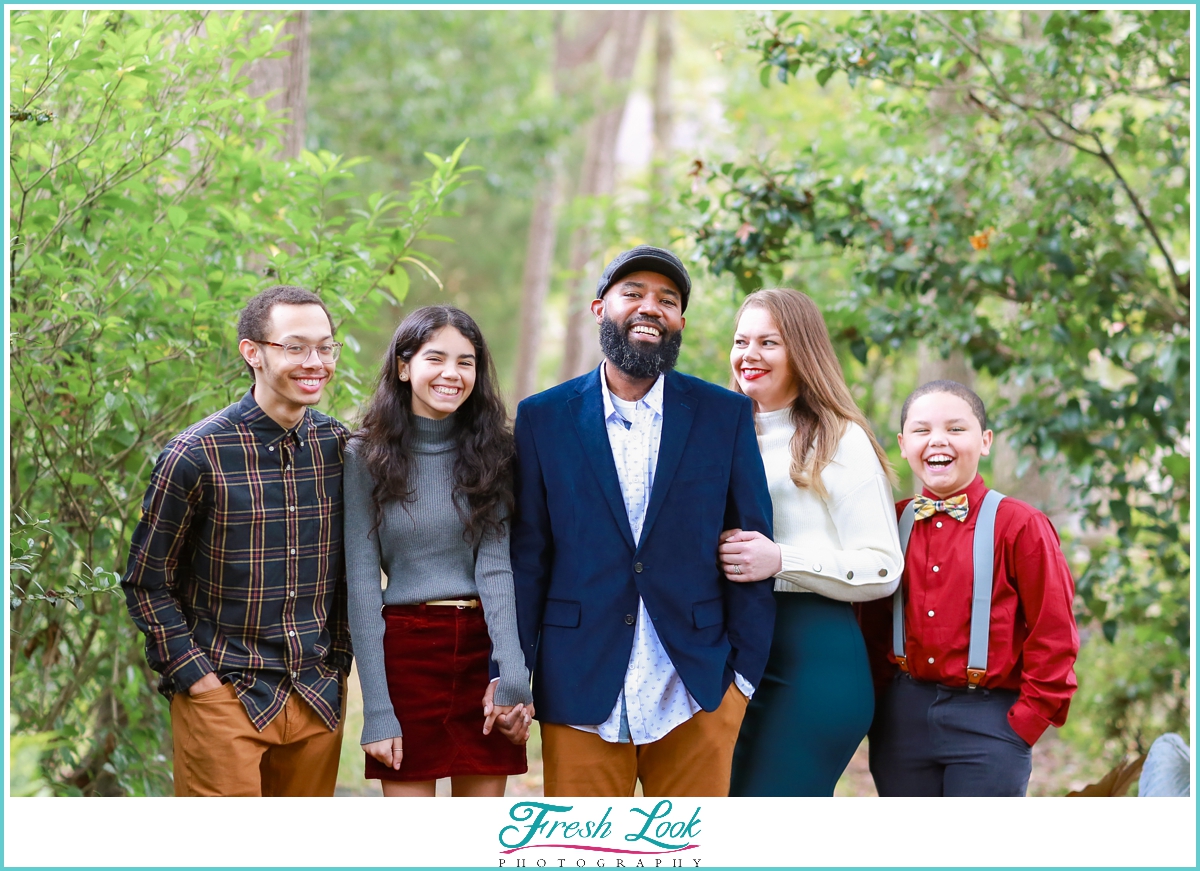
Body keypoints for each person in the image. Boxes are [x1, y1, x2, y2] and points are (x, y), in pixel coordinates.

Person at [511, 245, 776, 797]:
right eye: (633, 294)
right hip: (580, 687)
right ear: (598, 307)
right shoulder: (542, 418)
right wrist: (515, 673)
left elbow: (753, 545)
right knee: (583, 852)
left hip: (696, 690)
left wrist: (740, 683)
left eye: (668, 300)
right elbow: (529, 558)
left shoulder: (724, 415)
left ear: (681, 321)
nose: (650, 307)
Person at [122, 285, 352, 796]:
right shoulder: (194, 455)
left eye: (325, 346)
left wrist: (337, 664)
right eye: (295, 347)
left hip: (317, 697)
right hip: (226, 696)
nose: (315, 362)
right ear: (253, 352)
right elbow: (146, 582)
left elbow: (351, 571)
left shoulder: (342, 449)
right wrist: (198, 681)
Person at [719, 288, 904, 796]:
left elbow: (884, 567)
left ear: (801, 351)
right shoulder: (717, 432)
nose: (749, 355)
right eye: (741, 341)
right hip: (732, 660)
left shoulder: (840, 437)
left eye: (768, 342)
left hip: (813, 662)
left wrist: (782, 559)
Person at [344, 305, 533, 797]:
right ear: (404, 367)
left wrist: (512, 674)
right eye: (436, 358)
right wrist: (378, 711)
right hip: (408, 653)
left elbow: (496, 569)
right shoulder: (363, 456)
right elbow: (363, 589)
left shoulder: (496, 452)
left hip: (481, 654)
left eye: (466, 362)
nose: (452, 373)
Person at [858, 380, 1080, 796]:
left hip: (990, 719)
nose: (937, 440)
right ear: (904, 445)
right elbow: (869, 625)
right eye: (922, 430)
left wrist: (1026, 723)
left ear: (985, 441)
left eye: (956, 429)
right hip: (901, 719)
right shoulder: (889, 523)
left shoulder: (1021, 525)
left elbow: (1053, 635)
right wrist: (878, 709)